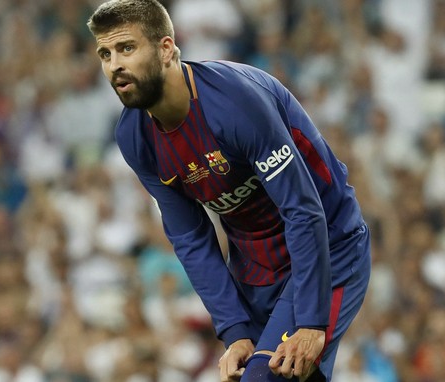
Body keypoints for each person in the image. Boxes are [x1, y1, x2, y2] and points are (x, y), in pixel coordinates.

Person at [87, 1, 371, 381]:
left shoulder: (235, 102)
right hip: (257, 272)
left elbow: (302, 209)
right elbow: (190, 237)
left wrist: (310, 321)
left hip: (329, 251)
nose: (114, 65)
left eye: (126, 48)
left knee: (263, 378)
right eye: (105, 54)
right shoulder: (134, 136)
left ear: (166, 48)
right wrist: (234, 329)